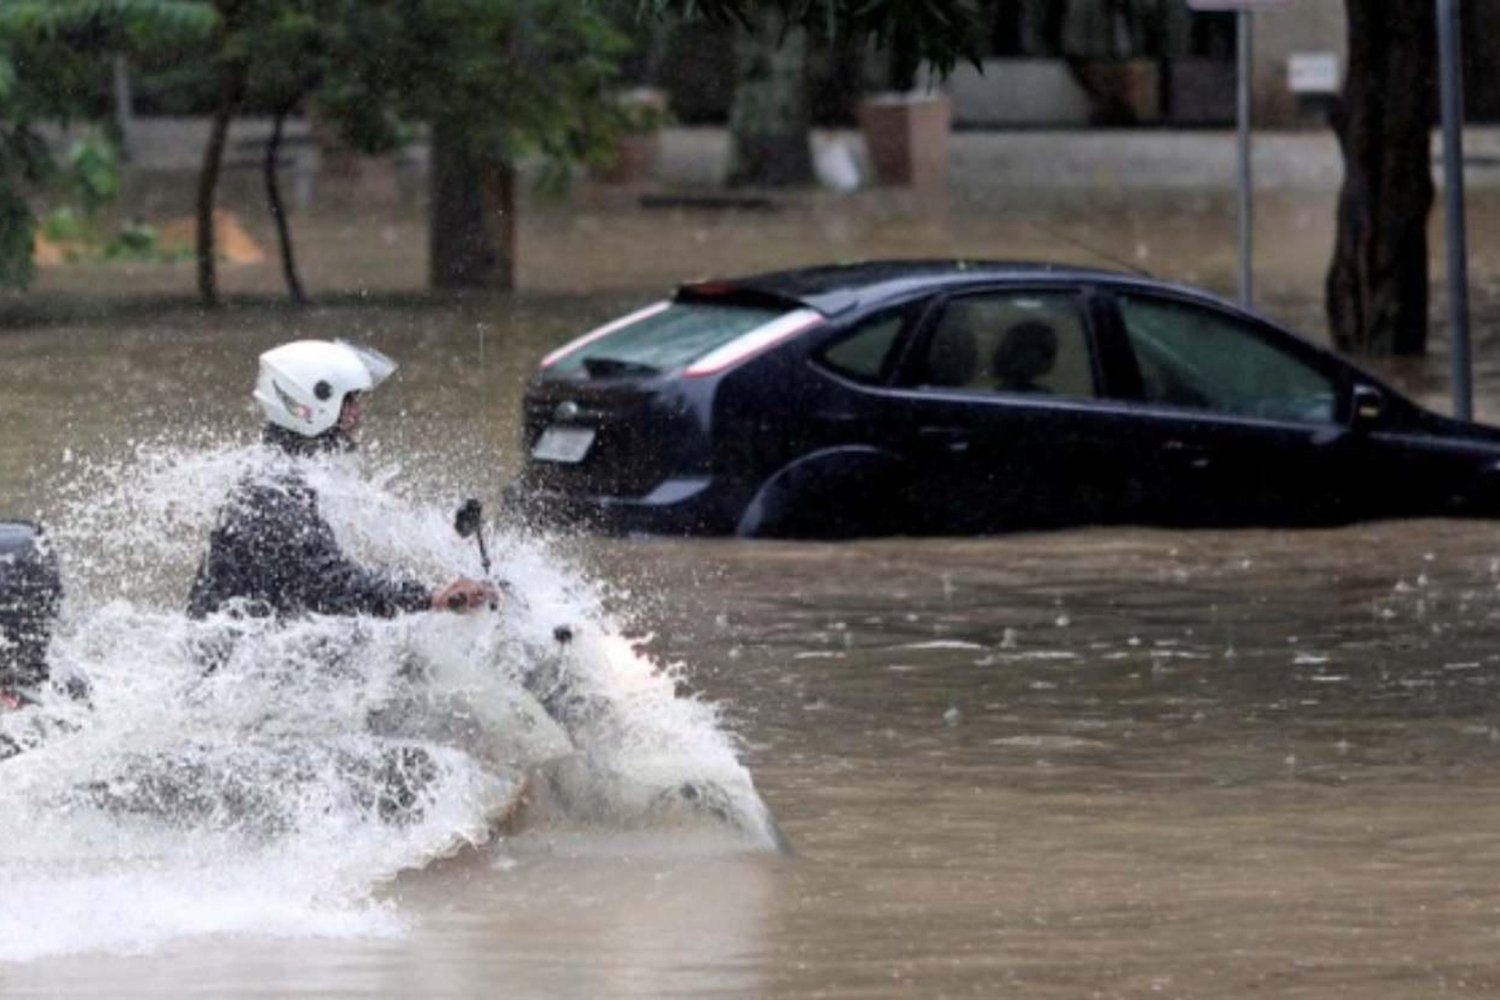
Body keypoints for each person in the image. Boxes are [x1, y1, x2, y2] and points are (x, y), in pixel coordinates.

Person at [187, 339, 496, 621]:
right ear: (310, 406)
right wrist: (430, 598)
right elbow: (333, 586)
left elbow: (329, 576)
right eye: (350, 403)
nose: (357, 416)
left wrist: (433, 582)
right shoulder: (273, 496)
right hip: (241, 666)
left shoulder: (280, 477)